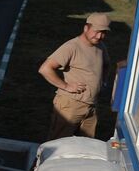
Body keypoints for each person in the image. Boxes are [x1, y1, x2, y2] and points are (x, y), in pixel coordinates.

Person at [39, 12, 112, 141]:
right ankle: (40, 162)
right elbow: (45, 69)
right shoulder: (72, 47)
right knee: (57, 144)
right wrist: (66, 86)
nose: (100, 36)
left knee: (85, 147)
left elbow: (106, 65)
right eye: (96, 31)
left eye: (103, 32)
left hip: (91, 107)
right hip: (71, 105)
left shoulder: (100, 47)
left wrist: (103, 82)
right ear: (86, 28)